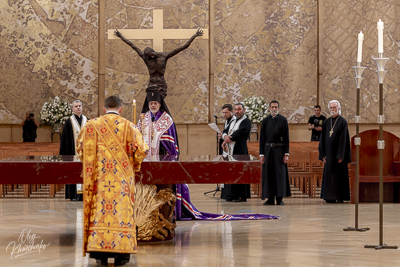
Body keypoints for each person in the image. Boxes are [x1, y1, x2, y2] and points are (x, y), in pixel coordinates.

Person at [76, 95, 148, 265]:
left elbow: (81, 149)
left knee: (100, 213)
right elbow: (141, 151)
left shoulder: (91, 126)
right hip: (122, 183)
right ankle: (122, 255)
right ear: (121, 109)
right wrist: (133, 165)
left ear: (104, 109)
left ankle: (100, 254)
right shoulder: (130, 127)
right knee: (121, 213)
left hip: (99, 182)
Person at [114, 29, 203, 114]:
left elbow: (183, 47)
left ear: (153, 52)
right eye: (148, 56)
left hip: (161, 84)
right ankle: (149, 121)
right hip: (152, 84)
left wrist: (194, 36)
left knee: (160, 105)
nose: (151, 57)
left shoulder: (164, 56)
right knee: (151, 105)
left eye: (151, 55)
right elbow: (133, 46)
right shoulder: (146, 58)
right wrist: (121, 36)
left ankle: (162, 120)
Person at [318, 100, 351, 203]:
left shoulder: (342, 122)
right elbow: (322, 139)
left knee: (338, 176)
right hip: (328, 155)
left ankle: (339, 197)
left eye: (334, 108)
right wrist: (322, 153)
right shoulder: (327, 122)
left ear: (339, 108)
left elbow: (343, 140)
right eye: (331, 108)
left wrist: (341, 155)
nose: (332, 110)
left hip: (338, 156)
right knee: (329, 176)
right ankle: (329, 197)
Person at [260, 100, 291, 205]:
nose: (274, 109)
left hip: (279, 151)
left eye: (276, 107)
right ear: (269, 108)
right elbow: (262, 139)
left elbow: (287, 138)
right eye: (272, 107)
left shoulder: (283, 120)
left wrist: (286, 154)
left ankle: (279, 198)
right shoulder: (265, 121)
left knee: (279, 174)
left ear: (278, 108)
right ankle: (269, 198)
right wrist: (261, 154)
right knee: (269, 174)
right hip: (268, 151)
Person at [221, 103, 251, 202]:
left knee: (240, 172)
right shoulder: (233, 121)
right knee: (231, 171)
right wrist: (225, 137)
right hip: (230, 150)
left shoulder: (246, 121)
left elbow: (241, 132)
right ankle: (231, 194)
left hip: (240, 149)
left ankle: (240, 195)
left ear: (244, 110)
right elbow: (225, 130)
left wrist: (228, 138)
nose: (237, 111)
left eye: (239, 109)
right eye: (236, 110)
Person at [59, 100, 88, 201]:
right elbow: (65, 140)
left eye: (80, 106)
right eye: (76, 106)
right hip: (73, 153)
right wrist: (64, 156)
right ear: (72, 109)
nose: (78, 108)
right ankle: (73, 195)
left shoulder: (87, 120)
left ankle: (84, 194)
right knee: (73, 173)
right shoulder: (69, 122)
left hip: (86, 155)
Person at [137, 90, 179, 156]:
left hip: (162, 151)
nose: (153, 105)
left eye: (155, 103)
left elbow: (170, 137)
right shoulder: (144, 117)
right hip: (146, 152)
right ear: (148, 105)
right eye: (151, 103)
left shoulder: (167, 118)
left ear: (159, 105)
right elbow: (138, 134)